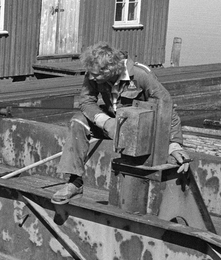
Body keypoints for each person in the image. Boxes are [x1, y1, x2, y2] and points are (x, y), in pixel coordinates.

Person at [53, 42, 189, 204]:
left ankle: (145, 194)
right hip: (111, 122)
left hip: (140, 128)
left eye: (95, 75)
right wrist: (105, 121)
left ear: (110, 70)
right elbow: (86, 101)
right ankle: (74, 182)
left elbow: (166, 106)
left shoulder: (141, 75)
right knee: (78, 121)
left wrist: (174, 144)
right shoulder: (93, 73)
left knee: (162, 160)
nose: (91, 78)